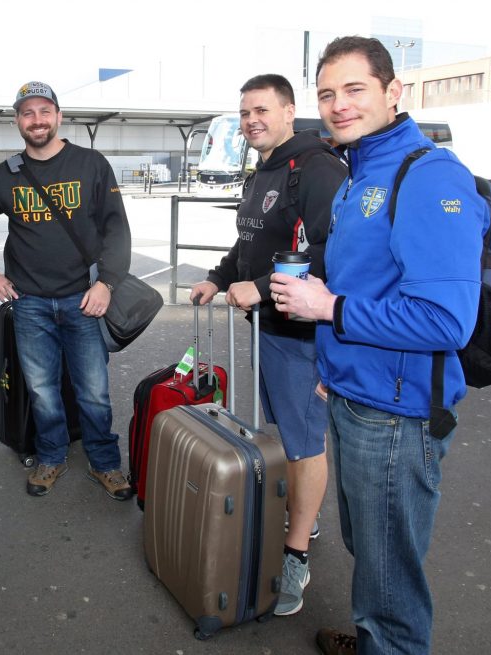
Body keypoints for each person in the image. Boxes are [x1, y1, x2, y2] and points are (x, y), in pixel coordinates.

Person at [269, 36, 488, 655]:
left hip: (398, 414)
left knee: (390, 573)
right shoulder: (359, 172)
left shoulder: (429, 176)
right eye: (327, 94)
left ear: (394, 92)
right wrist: (334, 367)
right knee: (371, 550)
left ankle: (386, 642)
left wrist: (327, 308)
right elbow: (368, 283)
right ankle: (375, 638)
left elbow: (446, 321)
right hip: (356, 394)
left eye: (355, 89)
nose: (338, 105)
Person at [190, 73, 346, 617]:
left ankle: (296, 554)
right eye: (245, 113)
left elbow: (335, 251)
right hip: (270, 328)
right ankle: (307, 515)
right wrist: (219, 277)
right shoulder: (265, 171)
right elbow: (250, 240)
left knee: (304, 443)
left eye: (261, 110)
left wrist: (257, 287)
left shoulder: (317, 169)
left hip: (304, 334)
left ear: (288, 111)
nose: (251, 120)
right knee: (288, 432)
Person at [0, 81, 133, 501]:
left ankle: (105, 463)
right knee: (42, 390)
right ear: (17, 121)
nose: (37, 120)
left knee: (93, 392)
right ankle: (51, 456)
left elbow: (117, 229)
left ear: (59, 117)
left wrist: (107, 283)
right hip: (29, 303)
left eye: (45, 111)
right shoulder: (5, 175)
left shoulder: (90, 164)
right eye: (28, 113)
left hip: (85, 299)